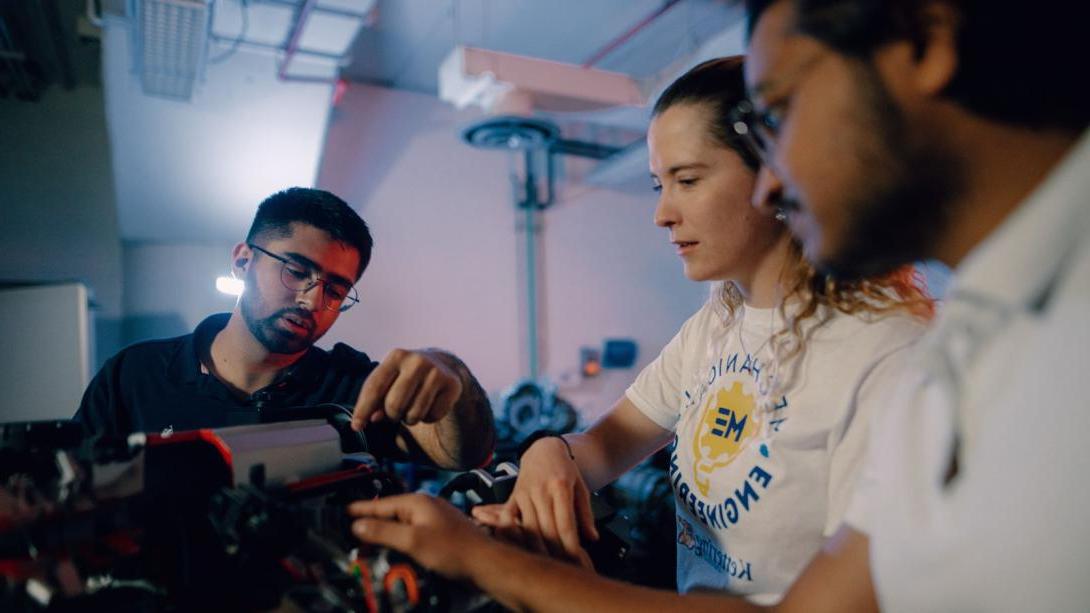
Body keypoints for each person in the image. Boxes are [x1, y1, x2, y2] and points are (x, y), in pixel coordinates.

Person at [352, 0, 1090, 611]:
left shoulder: (910, 350)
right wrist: (552, 450)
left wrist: (498, 566)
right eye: (657, 184)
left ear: (925, 41)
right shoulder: (738, 318)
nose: (776, 181)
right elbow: (607, 443)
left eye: (781, 114)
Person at [75, 187, 494, 470]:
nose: (312, 300)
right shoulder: (135, 375)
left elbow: (465, 454)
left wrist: (450, 371)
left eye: (335, 289)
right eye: (296, 271)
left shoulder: (355, 393)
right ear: (243, 261)